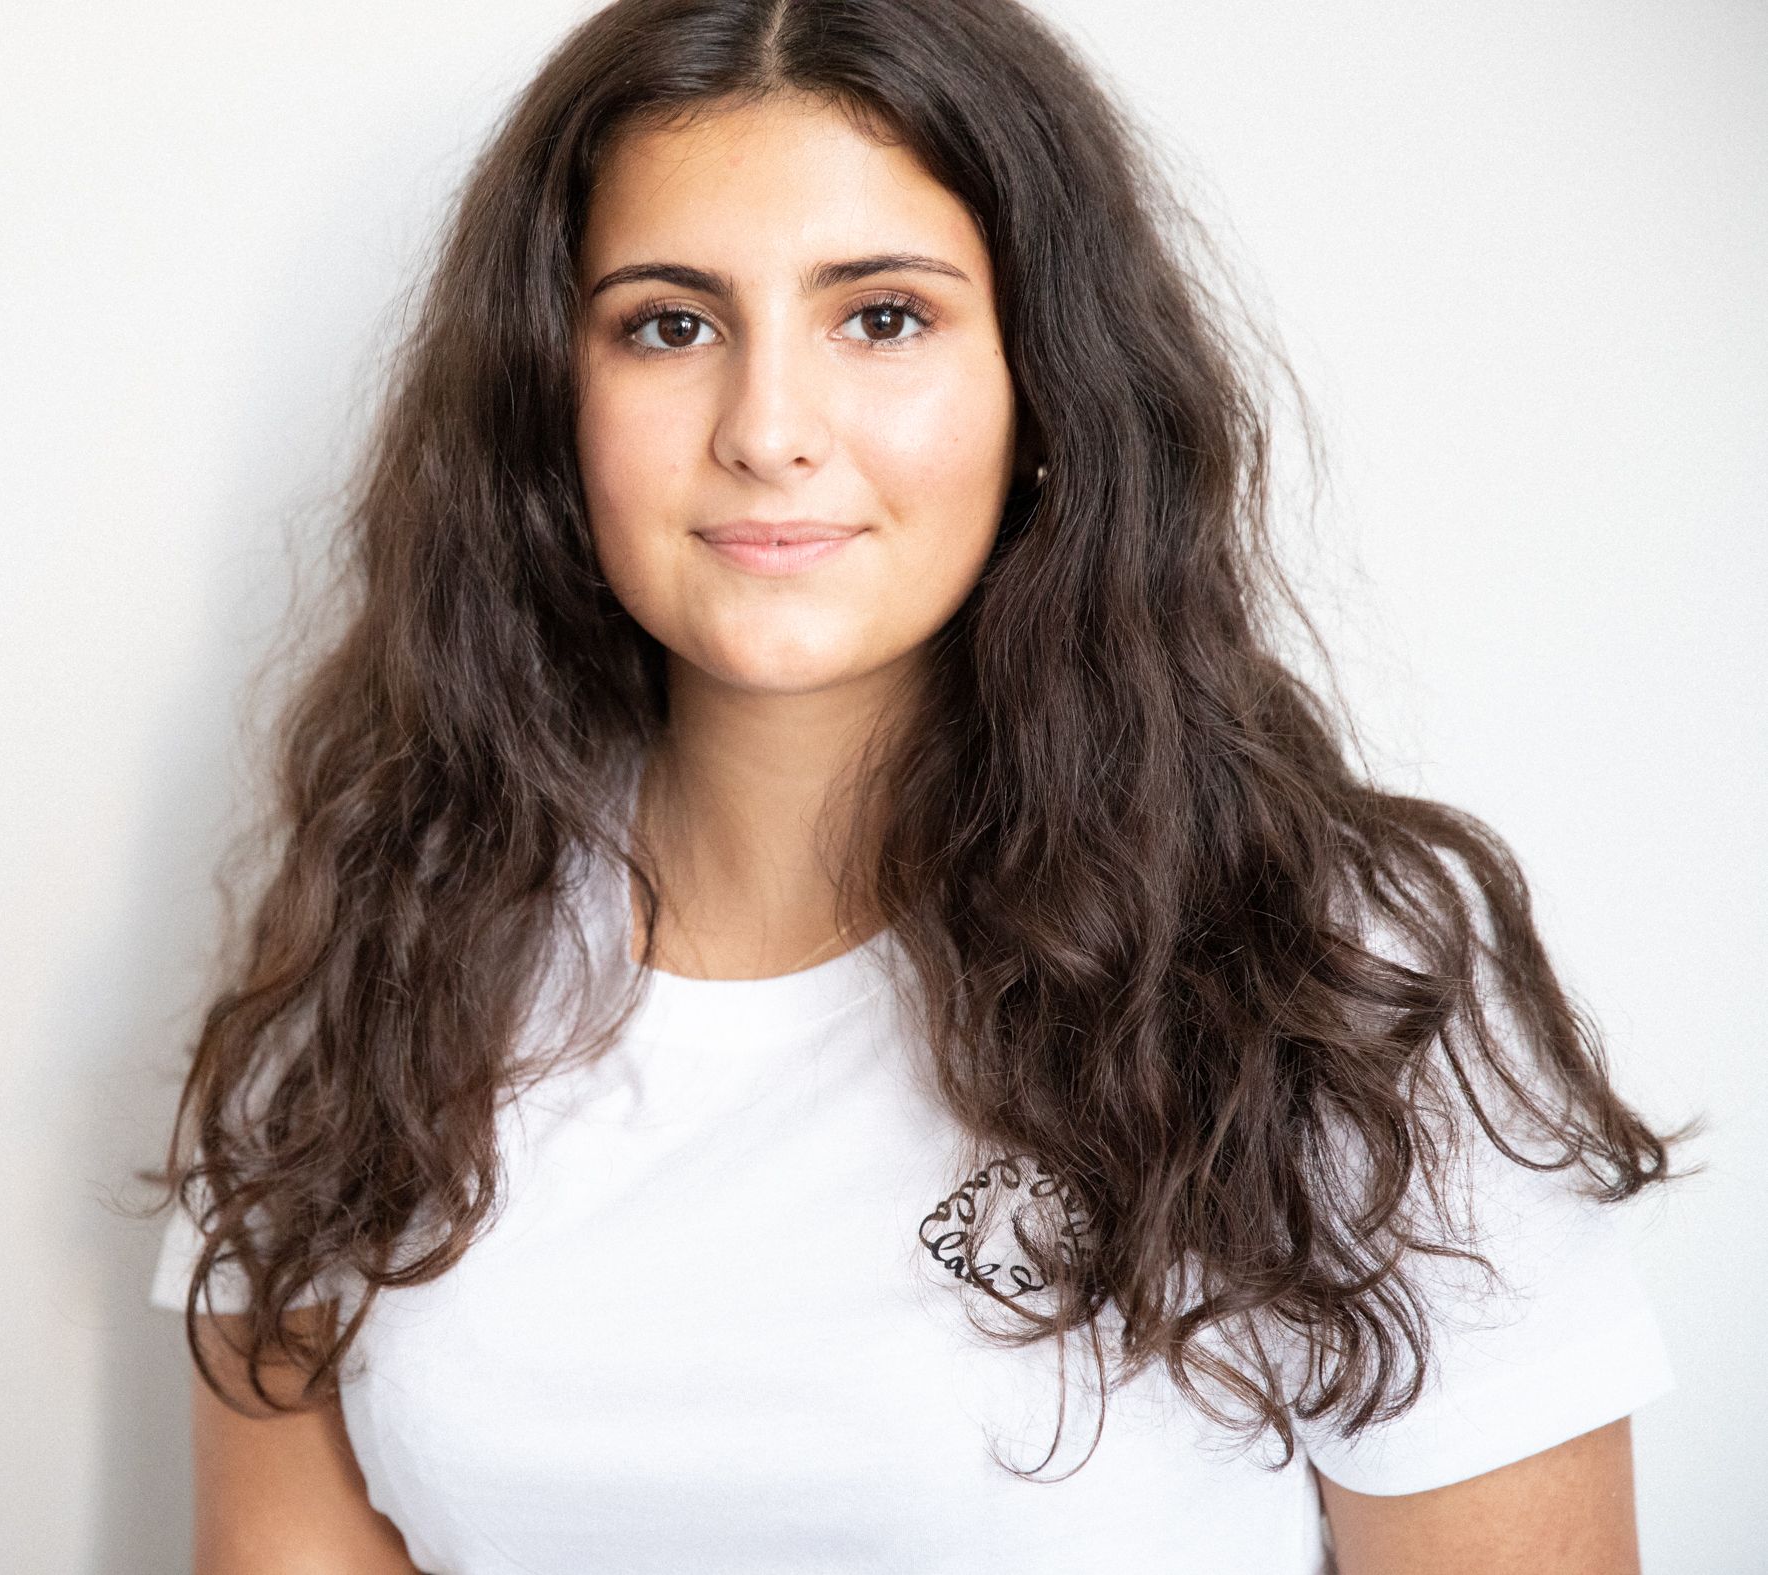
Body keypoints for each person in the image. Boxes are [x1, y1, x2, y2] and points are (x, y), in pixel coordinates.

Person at [146, 1, 1683, 1569]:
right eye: (668, 326)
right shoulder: (374, 956)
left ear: (1045, 385)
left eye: (881, 318)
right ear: (549, 402)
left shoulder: (1330, 985)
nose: (766, 431)